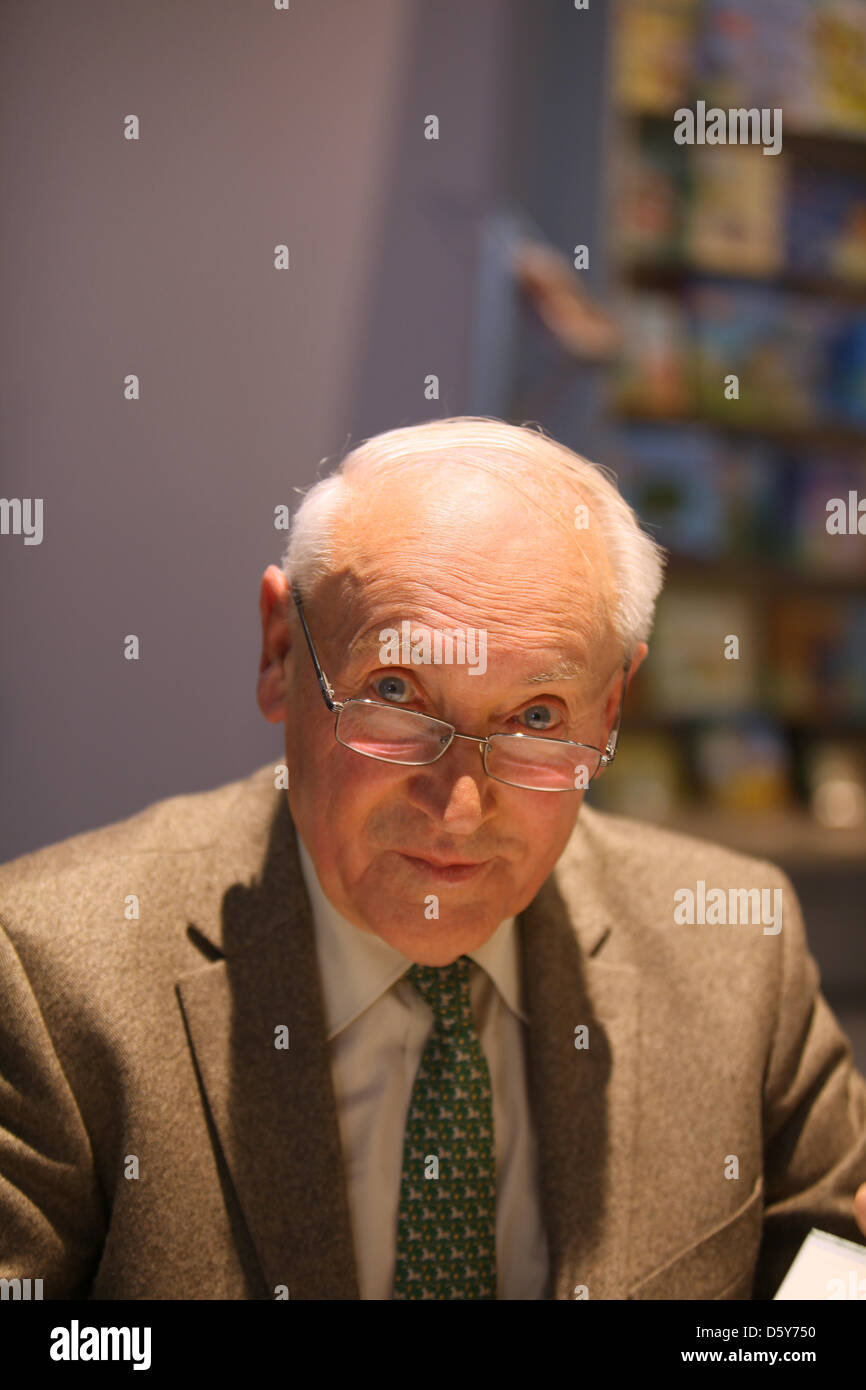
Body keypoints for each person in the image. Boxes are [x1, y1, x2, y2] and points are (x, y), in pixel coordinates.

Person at [1, 416, 865, 1300]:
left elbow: (834, 1269)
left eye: (536, 718)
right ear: (280, 653)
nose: (458, 811)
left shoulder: (736, 944)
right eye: (395, 695)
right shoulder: (47, 974)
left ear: (611, 711)